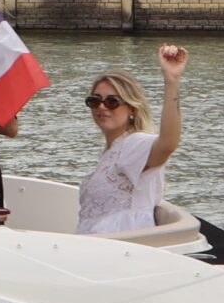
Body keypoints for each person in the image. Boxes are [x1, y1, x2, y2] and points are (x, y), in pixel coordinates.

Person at [76, 45, 188, 234]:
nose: (101, 107)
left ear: (132, 110)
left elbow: (168, 144)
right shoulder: (110, 151)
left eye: (112, 102)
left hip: (123, 245)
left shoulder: (134, 144)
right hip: (97, 242)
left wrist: (172, 80)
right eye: (94, 100)